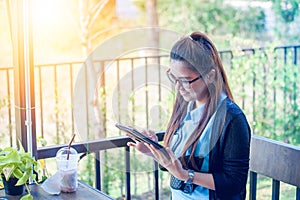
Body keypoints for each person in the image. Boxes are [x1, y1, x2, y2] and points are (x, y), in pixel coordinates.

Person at [126, 31, 251, 200]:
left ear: (210, 75)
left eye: (185, 80)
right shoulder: (186, 104)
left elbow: (235, 183)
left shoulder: (232, 119)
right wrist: (153, 150)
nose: (178, 87)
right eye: (174, 77)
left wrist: (185, 175)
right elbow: (180, 164)